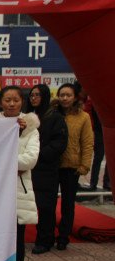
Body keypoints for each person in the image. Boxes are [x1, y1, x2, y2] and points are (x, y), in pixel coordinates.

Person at [0, 86, 40, 261]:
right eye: (7, 100)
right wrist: (12, 164)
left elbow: (30, 160)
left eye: (16, 100)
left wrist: (3, 162)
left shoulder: (31, 126)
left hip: (17, 192)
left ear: (22, 102)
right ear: (0, 102)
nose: (12, 104)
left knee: (16, 241)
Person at [25, 84, 68, 255]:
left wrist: (37, 154)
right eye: (32, 95)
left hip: (46, 168)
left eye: (37, 95)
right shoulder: (28, 116)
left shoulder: (54, 117)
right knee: (28, 204)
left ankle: (45, 239)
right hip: (29, 168)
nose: (34, 98)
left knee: (45, 207)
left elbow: (59, 143)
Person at [54, 83, 93, 250]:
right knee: (48, 203)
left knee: (68, 204)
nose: (64, 98)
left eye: (68, 95)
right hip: (52, 164)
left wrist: (85, 165)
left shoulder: (83, 117)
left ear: (75, 97)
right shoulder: (52, 114)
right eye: (62, 95)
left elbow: (87, 142)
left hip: (72, 166)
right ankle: (47, 234)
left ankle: (63, 237)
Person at [80, 96, 110, 191]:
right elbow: (89, 114)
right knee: (98, 157)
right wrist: (91, 130)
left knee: (109, 158)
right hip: (98, 131)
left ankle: (107, 183)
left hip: (109, 129)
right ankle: (93, 183)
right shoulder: (94, 100)